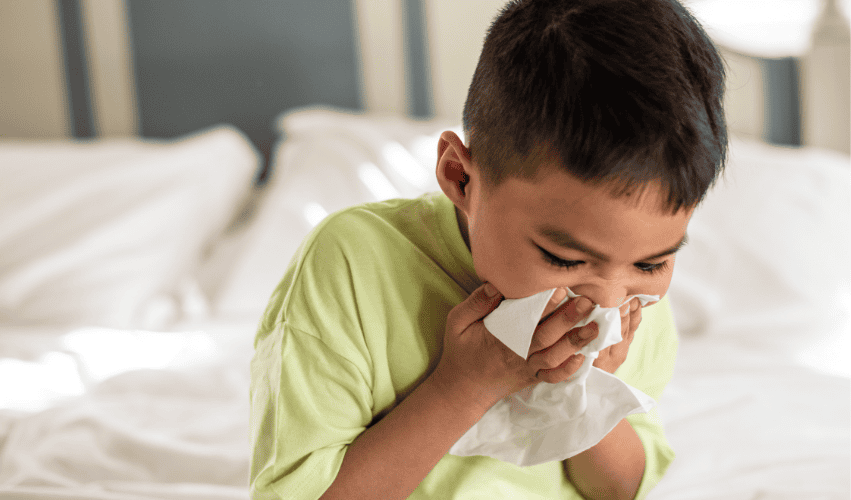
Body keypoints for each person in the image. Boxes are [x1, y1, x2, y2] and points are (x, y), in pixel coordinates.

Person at [249, 0, 727, 498]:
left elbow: (622, 489)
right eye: (564, 259)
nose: (606, 302)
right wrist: (466, 387)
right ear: (460, 177)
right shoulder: (352, 264)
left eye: (652, 263)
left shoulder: (635, 302)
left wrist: (584, 391)